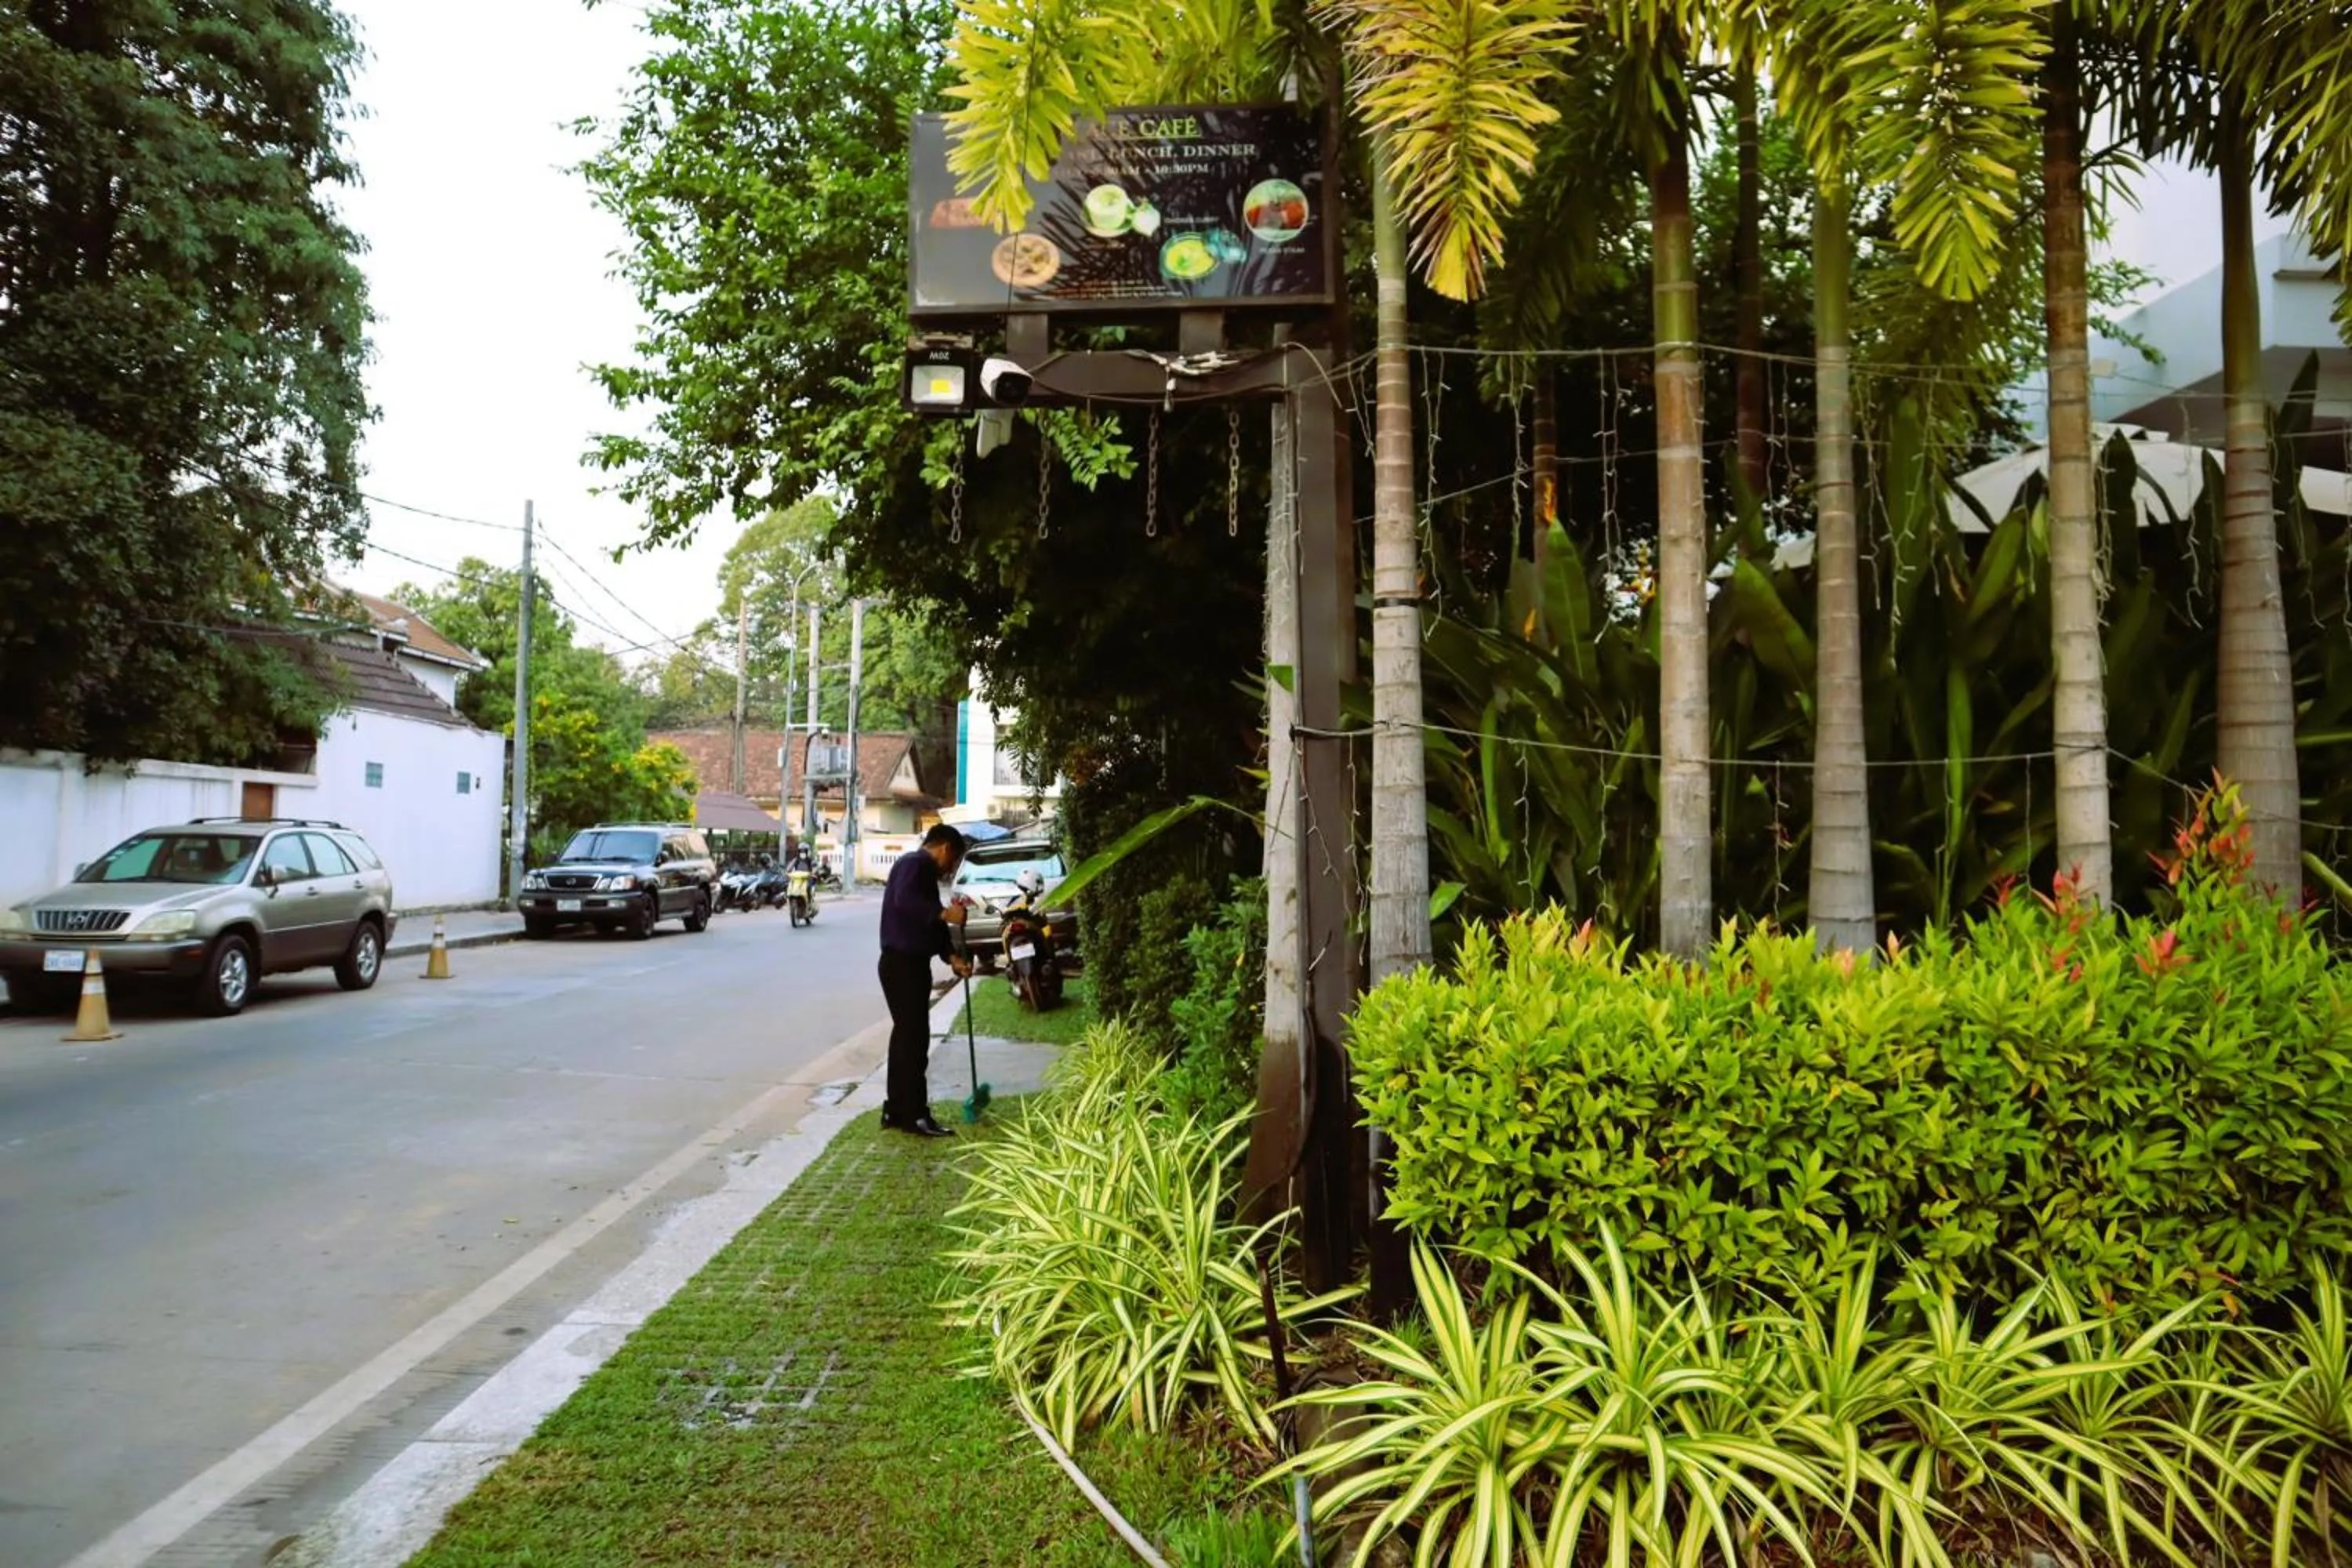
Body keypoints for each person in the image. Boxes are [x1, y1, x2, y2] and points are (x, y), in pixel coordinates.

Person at [877, 822, 969, 1137]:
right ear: (944, 848)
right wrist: (947, 914)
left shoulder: (922, 872)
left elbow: (928, 922)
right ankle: (915, 1115)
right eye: (953, 859)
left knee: (905, 1038)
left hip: (907, 965)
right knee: (913, 1040)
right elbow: (906, 902)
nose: (951, 867)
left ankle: (896, 1109)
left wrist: (952, 957)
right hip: (902, 965)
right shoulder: (914, 864)